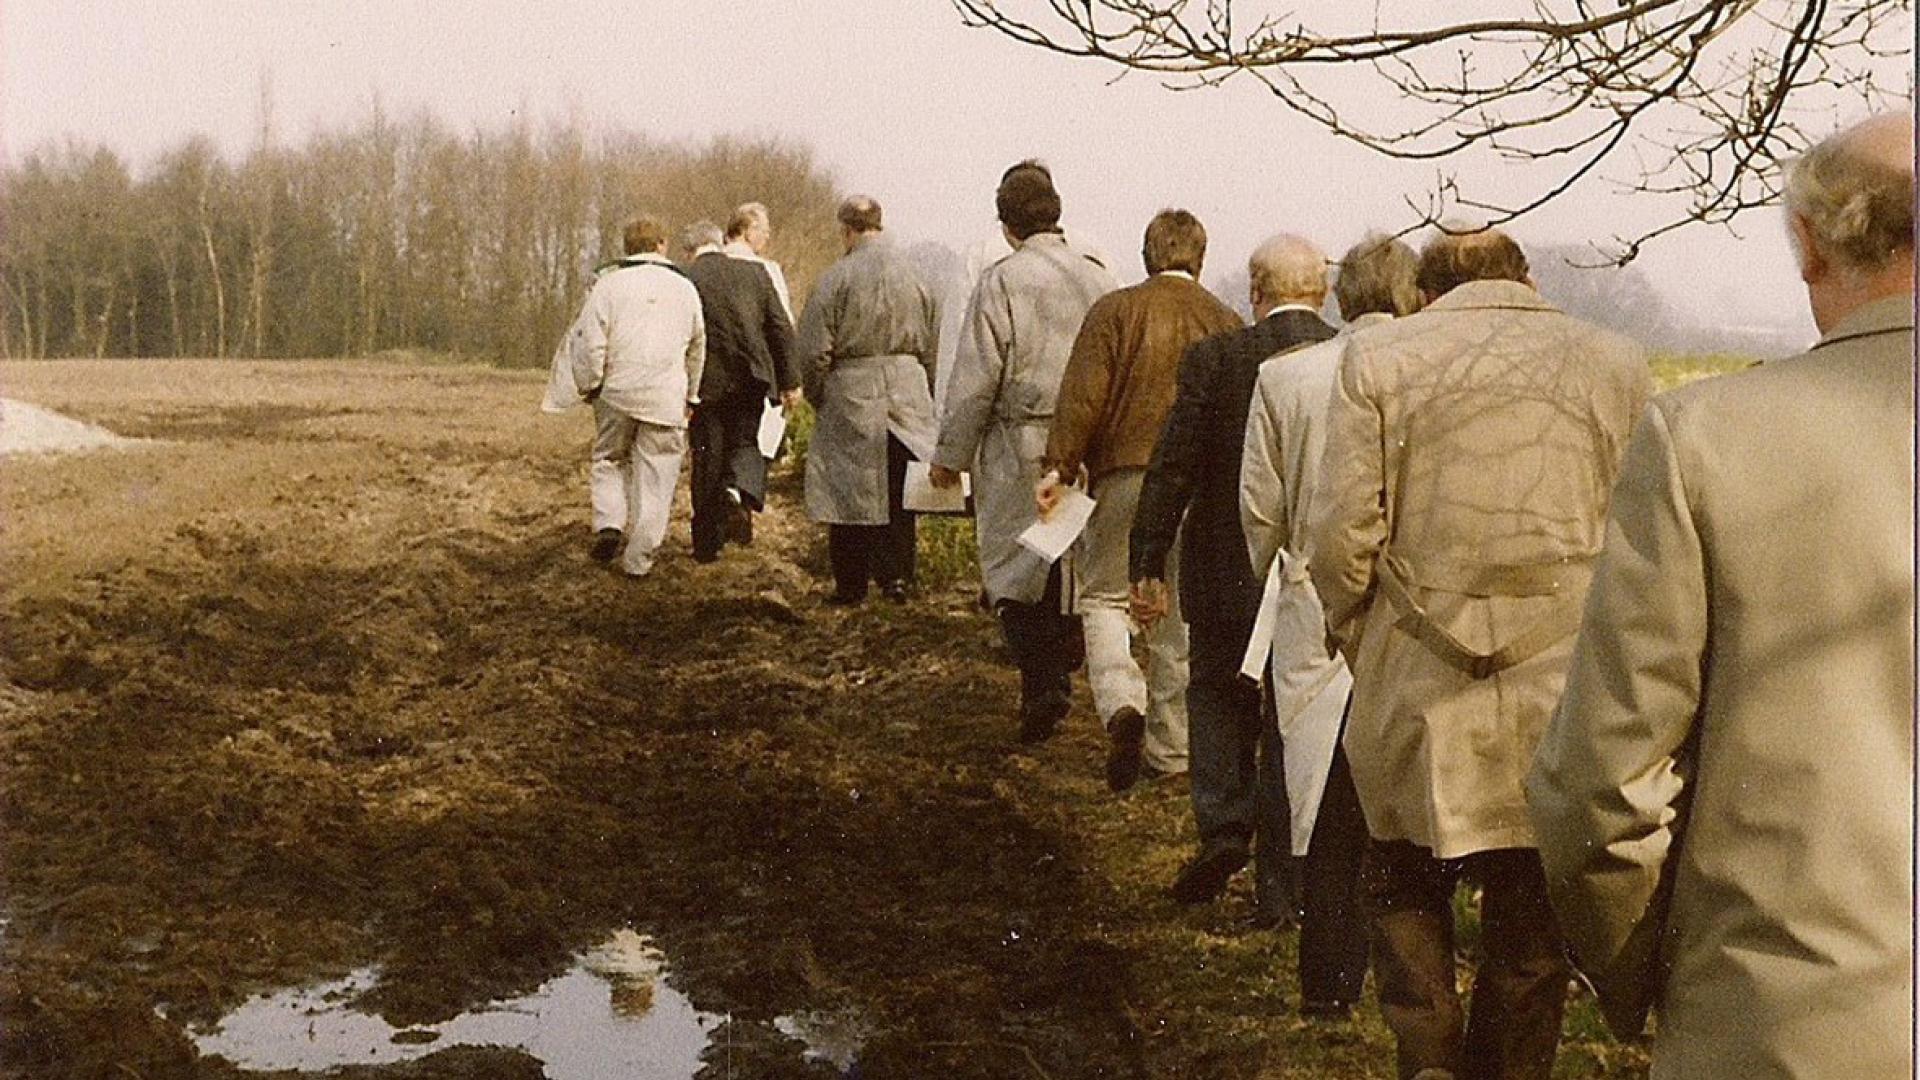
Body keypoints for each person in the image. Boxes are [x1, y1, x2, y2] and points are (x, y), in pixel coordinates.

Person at [1526, 112, 1915, 1079]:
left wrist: (1641, 976)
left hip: (1784, 1022)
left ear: (1809, 245)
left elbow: (1603, 786)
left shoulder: (1706, 440)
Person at [1309, 228, 1650, 1080]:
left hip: (1417, 665)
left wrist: (1365, 638)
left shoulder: (1379, 359)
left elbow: (1343, 536)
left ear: (1425, 290)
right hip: (1559, 679)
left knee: (1400, 875)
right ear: (1526, 277)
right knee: (1534, 908)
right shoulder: (1611, 361)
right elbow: (1640, 534)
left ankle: (1427, 1050)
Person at [1126, 233, 1333, 913]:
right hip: (1315, 572)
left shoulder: (1217, 359)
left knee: (1216, 694)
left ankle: (1222, 825)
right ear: (1324, 291)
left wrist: (1147, 561)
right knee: (1293, 720)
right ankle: (1285, 880)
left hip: (1224, 562)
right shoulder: (1351, 360)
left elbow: (1174, 465)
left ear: (1254, 291)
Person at [1240, 234, 1420, 1013]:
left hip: (1315, 592)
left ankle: (1329, 972)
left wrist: (1282, 581)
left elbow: (1260, 509)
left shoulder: (1285, 377)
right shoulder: (1434, 369)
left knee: (1318, 783)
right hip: (1416, 599)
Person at [1037, 209, 1242, 789]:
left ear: (1148, 254)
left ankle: (1123, 705)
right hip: (1196, 484)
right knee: (1178, 614)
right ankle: (1171, 752)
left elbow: (1083, 397)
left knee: (1103, 599)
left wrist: (1059, 464)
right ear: (1200, 259)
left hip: (1123, 475)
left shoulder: (1114, 312)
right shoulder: (1224, 319)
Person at [931, 164, 1116, 738]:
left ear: (1007, 224)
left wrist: (950, 455)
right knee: (1072, 562)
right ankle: (1066, 663)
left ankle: (1043, 683)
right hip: (1089, 439)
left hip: (1022, 442)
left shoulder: (1001, 280)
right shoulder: (1100, 278)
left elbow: (976, 378)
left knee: (1017, 568)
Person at [795, 195, 940, 605]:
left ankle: (851, 586)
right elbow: (933, 343)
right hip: (906, 386)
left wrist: (819, 392)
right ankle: (897, 578)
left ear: (846, 229)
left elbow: (813, 351)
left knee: (849, 492)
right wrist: (920, 386)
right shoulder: (919, 275)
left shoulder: (833, 278)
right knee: (899, 489)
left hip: (852, 388)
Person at [561, 214, 706, 577]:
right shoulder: (685, 288)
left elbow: (590, 341)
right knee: (657, 475)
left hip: (618, 390)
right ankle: (639, 558)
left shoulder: (608, 285)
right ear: (662, 245)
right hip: (665, 395)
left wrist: (592, 383)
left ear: (626, 248)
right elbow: (697, 345)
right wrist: (692, 394)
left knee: (610, 459)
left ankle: (610, 523)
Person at [683, 219, 799, 562]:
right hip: (751, 377)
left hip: (705, 381)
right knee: (745, 442)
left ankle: (707, 543)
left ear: (691, 251)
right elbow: (780, 329)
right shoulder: (755, 274)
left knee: (707, 453)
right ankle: (736, 489)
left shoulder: (687, 279)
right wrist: (790, 381)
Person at [723, 201, 795, 322]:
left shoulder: (710, 268)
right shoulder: (768, 270)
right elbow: (783, 319)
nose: (767, 237)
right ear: (749, 231)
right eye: (765, 231)